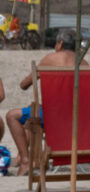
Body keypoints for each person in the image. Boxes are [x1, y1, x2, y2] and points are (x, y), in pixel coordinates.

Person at [6, 28, 83, 177]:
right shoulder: (83, 62)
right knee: (32, 114)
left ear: (60, 44)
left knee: (12, 116)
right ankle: (28, 158)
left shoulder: (51, 59)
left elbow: (24, 85)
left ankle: (25, 160)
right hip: (78, 119)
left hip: (53, 117)